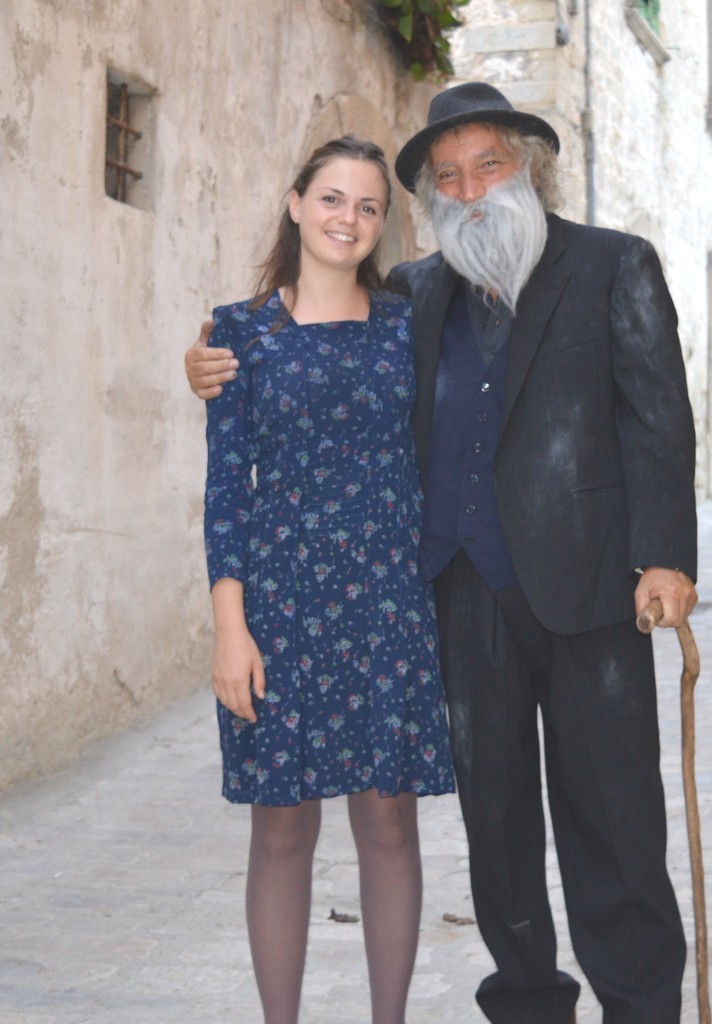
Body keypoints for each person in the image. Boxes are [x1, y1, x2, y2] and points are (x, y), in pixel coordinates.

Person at [187, 85, 698, 1024]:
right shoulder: (412, 294)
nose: (469, 189)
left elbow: (657, 417)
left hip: (590, 593)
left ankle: (638, 1007)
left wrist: (663, 556)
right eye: (447, 176)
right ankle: (529, 1005)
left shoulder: (611, 263)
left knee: (613, 821)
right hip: (457, 597)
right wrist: (211, 364)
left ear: (527, 169)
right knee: (494, 824)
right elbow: (293, 354)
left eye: (487, 166)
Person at [200, 134, 455, 1024]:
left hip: (387, 601)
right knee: (281, 827)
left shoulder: (406, 323)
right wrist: (230, 627)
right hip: (280, 605)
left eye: (369, 206)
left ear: (383, 223)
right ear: (296, 203)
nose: (349, 218)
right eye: (333, 199)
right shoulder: (238, 332)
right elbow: (226, 487)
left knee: (388, 821)